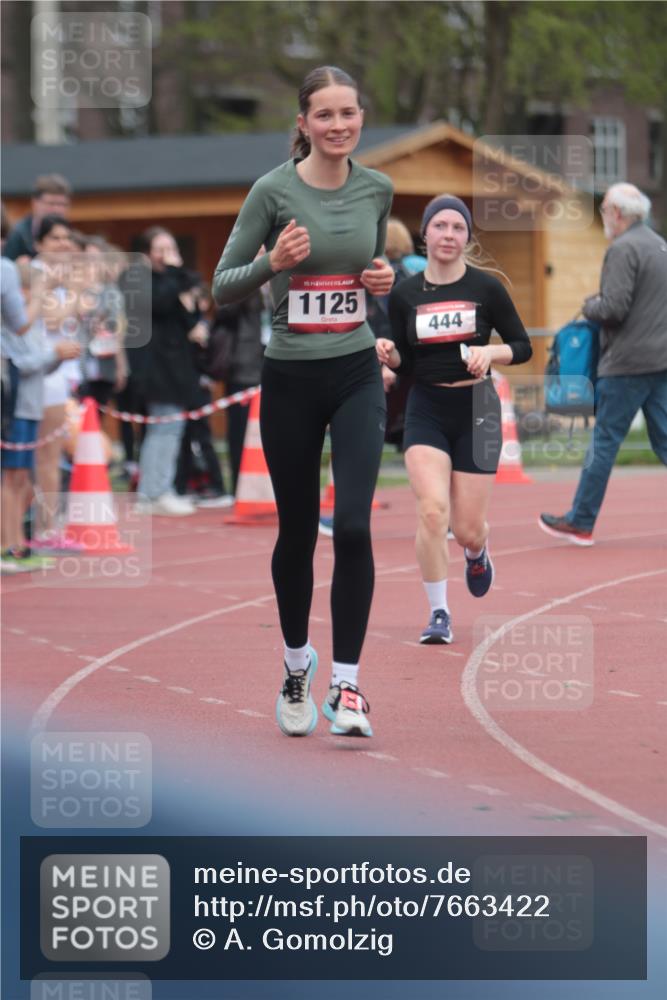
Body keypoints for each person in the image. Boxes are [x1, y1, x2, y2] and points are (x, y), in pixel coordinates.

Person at [213, 65, 394, 738]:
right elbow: (221, 285)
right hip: (289, 377)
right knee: (295, 533)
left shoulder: (377, 188)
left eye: (348, 113)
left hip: (353, 372)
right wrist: (273, 263)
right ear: (303, 123)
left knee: (351, 526)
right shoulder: (272, 191)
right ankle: (297, 664)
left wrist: (381, 279)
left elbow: (371, 273)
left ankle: (346, 687)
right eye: (324, 115)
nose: (338, 125)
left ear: (359, 118)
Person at [376, 194, 532, 643]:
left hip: (478, 411)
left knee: (465, 528)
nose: (448, 235)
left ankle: (478, 551)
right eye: (440, 226)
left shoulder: (486, 288)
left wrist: (490, 350)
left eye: (457, 227)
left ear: (467, 236)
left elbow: (523, 346)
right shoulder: (404, 294)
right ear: (425, 234)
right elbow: (407, 363)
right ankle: (439, 613)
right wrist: (391, 355)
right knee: (431, 513)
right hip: (426, 409)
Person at [539, 183, 667, 545]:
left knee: (604, 442)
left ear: (618, 213)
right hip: (660, 360)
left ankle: (580, 520)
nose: (604, 217)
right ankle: (580, 518)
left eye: (605, 210)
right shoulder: (660, 245)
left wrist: (589, 304)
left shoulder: (623, 249)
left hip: (627, 364)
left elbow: (614, 308)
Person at [2, 260, 81, 572]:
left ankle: (17, 541)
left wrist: (58, 357)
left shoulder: (29, 327)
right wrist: (54, 354)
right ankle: (8, 546)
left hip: (30, 405)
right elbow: (19, 365)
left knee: (21, 478)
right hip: (16, 406)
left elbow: (37, 363)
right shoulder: (8, 327)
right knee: (11, 477)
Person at [135, 227, 202, 517]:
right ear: (147, 253)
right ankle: (153, 492)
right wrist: (175, 274)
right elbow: (159, 304)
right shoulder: (143, 280)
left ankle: (160, 489)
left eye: (170, 248)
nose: (167, 256)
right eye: (160, 249)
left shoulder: (177, 281)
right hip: (157, 366)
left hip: (179, 364)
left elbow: (190, 318)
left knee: (171, 428)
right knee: (163, 428)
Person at [4, 174, 72, 261]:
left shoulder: (72, 233)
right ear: (35, 203)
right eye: (51, 203)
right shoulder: (17, 234)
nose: (57, 209)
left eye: (62, 204)